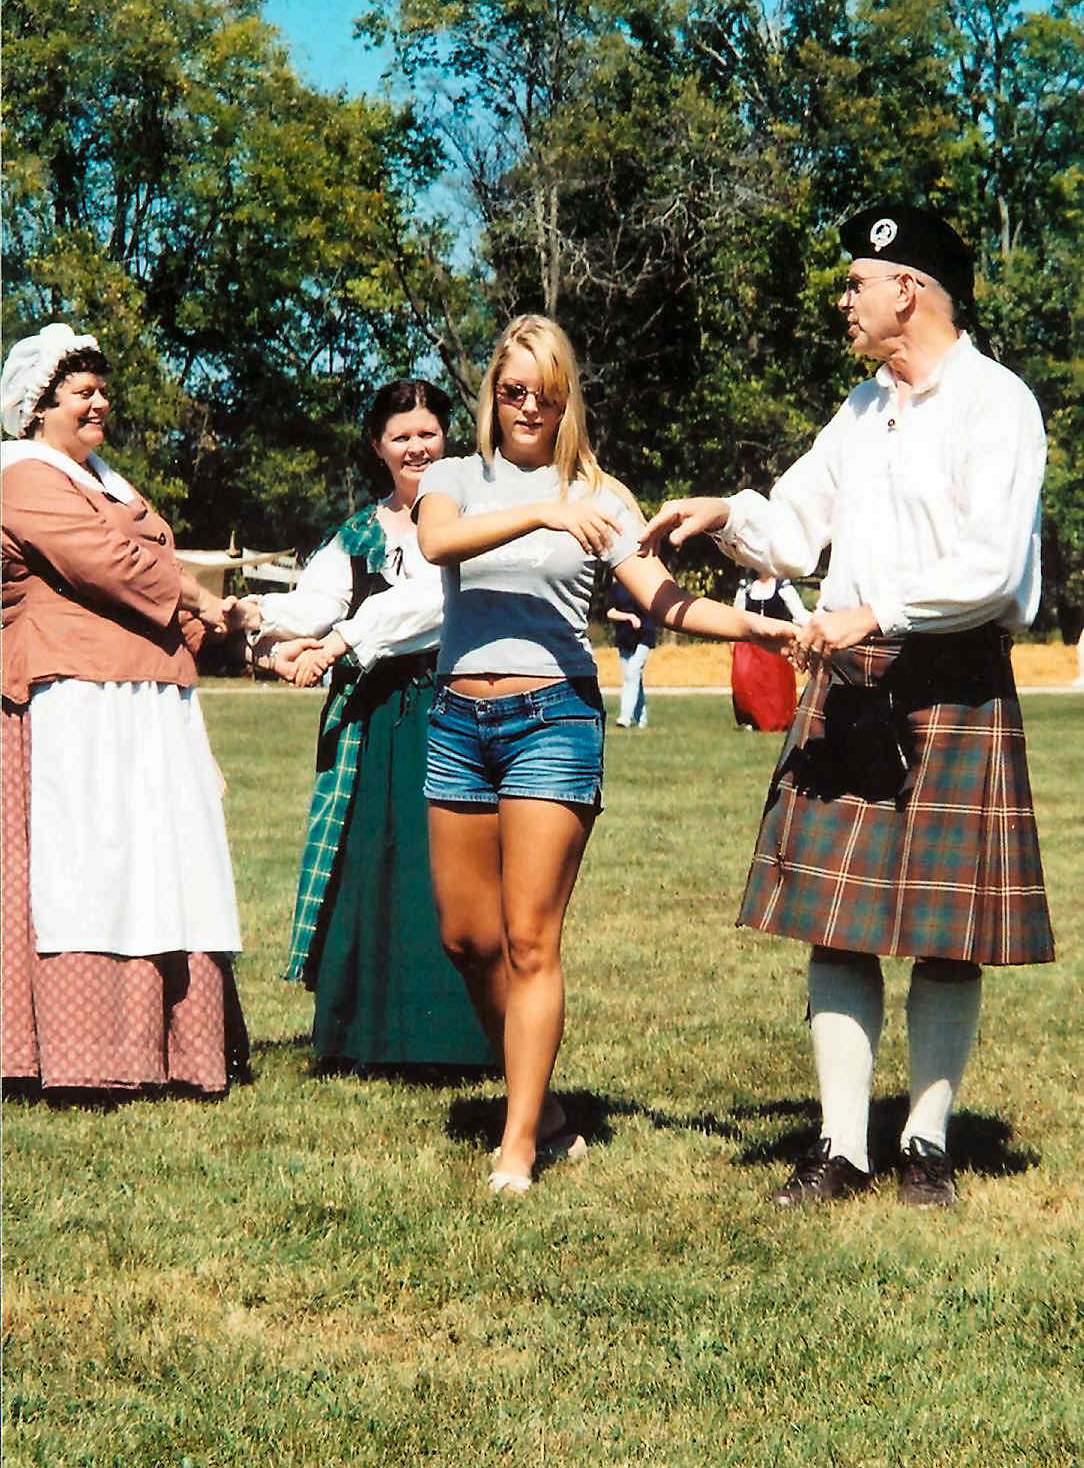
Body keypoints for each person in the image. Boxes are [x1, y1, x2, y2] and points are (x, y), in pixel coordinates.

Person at [642, 205, 1054, 1208]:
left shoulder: (996, 403)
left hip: (949, 676)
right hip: (850, 680)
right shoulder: (861, 410)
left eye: (856, 282)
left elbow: (996, 569)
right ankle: (839, 1146)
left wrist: (879, 606)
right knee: (838, 918)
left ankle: (923, 1143)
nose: (844, 298)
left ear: (906, 288)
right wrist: (726, 514)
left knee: (947, 930)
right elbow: (793, 525)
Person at [415, 314, 796, 1194]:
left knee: (530, 939)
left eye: (544, 395)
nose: (526, 408)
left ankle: (517, 1148)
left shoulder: (605, 496)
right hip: (457, 722)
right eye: (511, 391)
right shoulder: (454, 478)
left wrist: (762, 628)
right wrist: (542, 509)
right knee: (467, 940)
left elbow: (663, 600)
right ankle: (543, 1106)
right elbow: (437, 544)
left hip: (553, 720)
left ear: (565, 399)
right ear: (491, 395)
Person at [1, 323, 247, 1096]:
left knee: (159, 861)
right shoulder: (22, 477)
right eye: (82, 391)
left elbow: (151, 571)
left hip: (145, 698)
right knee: (92, 863)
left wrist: (217, 625)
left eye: (103, 389)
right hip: (76, 696)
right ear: (39, 407)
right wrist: (200, 599)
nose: (100, 401)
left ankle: (173, 1049)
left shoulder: (111, 480)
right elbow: (109, 565)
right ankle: (80, 1053)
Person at [229, 380, 489, 1070]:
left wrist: (338, 643)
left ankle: (457, 1038)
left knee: (448, 866)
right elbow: (315, 599)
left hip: (454, 707)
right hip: (375, 720)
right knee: (372, 861)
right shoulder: (359, 532)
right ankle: (364, 1038)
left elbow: (431, 602)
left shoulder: (470, 514)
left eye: (428, 433)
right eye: (401, 436)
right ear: (377, 446)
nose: (416, 447)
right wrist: (261, 620)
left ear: (448, 438)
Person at [730, 572, 810, 731]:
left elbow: (799, 615)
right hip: (751, 646)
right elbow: (737, 615)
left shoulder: (783, 587)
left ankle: (776, 722)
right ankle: (751, 720)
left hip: (776, 647)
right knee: (746, 682)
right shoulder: (746, 587)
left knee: (776, 687)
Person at [606, 576, 657, 728]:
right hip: (625, 638)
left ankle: (625, 718)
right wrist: (629, 617)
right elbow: (610, 612)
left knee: (632, 673)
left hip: (644, 636)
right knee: (633, 678)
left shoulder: (643, 584)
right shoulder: (616, 588)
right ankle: (642, 718)